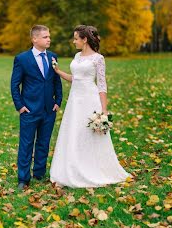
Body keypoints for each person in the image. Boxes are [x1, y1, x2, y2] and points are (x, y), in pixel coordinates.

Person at [49, 25, 131, 188]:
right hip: (74, 101)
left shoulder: (98, 59)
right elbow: (75, 78)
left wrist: (104, 110)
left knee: (89, 135)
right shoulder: (77, 56)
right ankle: (72, 168)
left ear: (84, 39)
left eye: (76, 38)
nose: (74, 42)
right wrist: (58, 71)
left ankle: (91, 168)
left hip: (89, 99)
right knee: (73, 133)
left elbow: (102, 85)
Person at [10, 25, 63, 191]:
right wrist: (20, 106)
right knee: (26, 144)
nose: (49, 39)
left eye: (49, 36)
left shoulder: (52, 56)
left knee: (44, 142)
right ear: (35, 39)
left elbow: (56, 81)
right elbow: (14, 84)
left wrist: (58, 101)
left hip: (49, 109)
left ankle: (39, 172)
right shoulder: (22, 59)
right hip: (29, 110)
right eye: (45, 37)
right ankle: (23, 178)